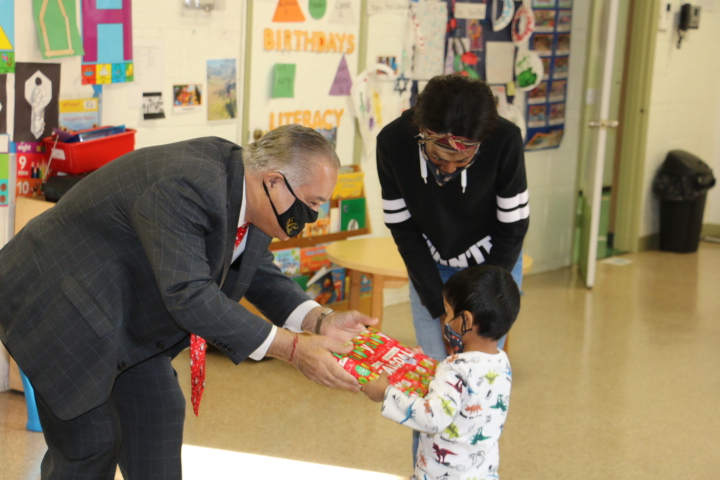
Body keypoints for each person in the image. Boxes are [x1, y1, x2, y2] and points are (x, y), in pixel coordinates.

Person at [0, 125, 375, 479]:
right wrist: (292, 349)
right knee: (91, 444)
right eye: (311, 203)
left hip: (121, 311)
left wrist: (319, 321)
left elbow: (255, 268)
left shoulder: (252, 194)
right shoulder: (187, 185)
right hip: (60, 305)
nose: (311, 217)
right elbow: (190, 296)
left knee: (159, 416)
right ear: (274, 181)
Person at [376, 74, 529, 362]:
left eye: (461, 161)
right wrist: (439, 308)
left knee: (478, 366)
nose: (447, 169)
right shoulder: (392, 142)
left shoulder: (504, 139)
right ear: (423, 133)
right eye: (437, 159)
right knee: (436, 363)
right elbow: (403, 228)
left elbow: (513, 226)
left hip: (493, 262)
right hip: (430, 265)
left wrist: (480, 308)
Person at [361, 265, 520, 480]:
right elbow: (465, 393)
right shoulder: (501, 361)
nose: (444, 319)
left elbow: (432, 418)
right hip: (482, 472)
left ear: (466, 321)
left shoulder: (453, 368)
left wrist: (386, 393)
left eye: (448, 312)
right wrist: (420, 365)